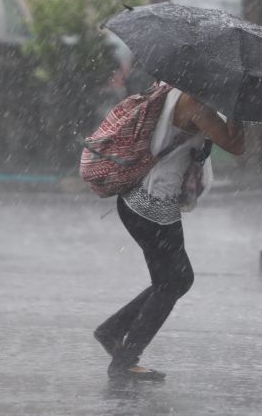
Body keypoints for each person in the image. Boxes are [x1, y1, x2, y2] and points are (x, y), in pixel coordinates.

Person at [94, 85, 244, 381]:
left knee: (173, 280)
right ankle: (125, 361)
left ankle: (113, 330)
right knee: (173, 281)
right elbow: (236, 145)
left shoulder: (168, 89)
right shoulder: (195, 103)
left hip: (138, 198)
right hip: (153, 206)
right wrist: (241, 107)